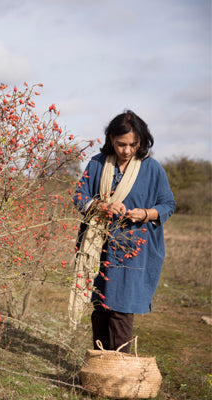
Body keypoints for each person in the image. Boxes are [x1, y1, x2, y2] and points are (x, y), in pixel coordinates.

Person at [72, 110, 176, 353]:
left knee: (121, 309)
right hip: (99, 247)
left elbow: (168, 204)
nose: (127, 150)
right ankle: (99, 366)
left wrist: (146, 214)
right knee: (100, 308)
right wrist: (102, 206)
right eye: (121, 144)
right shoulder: (97, 163)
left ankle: (118, 372)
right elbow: (79, 196)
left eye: (132, 144)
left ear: (141, 141)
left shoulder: (152, 169)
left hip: (134, 251)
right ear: (110, 139)